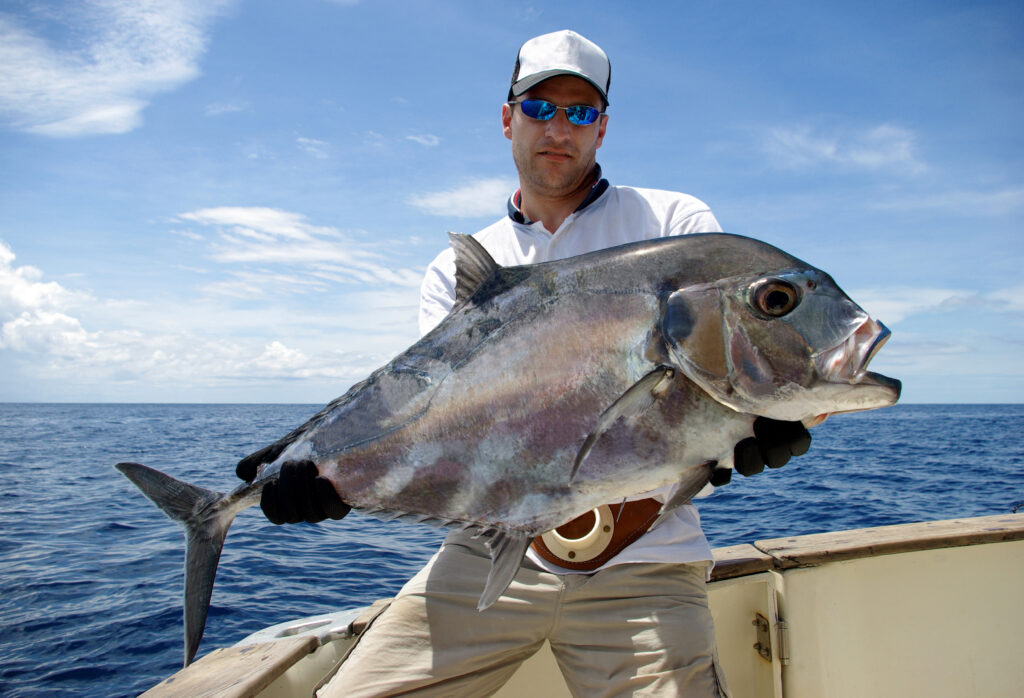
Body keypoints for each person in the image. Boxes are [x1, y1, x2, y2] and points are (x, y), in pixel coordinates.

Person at [240, 30, 810, 697]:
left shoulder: (675, 224)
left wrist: (763, 420)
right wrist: (328, 469)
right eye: (540, 108)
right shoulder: (463, 265)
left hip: (647, 558)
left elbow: (735, 365)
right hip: (489, 553)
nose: (558, 127)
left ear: (602, 127)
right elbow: (440, 419)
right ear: (508, 118)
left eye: (580, 111)